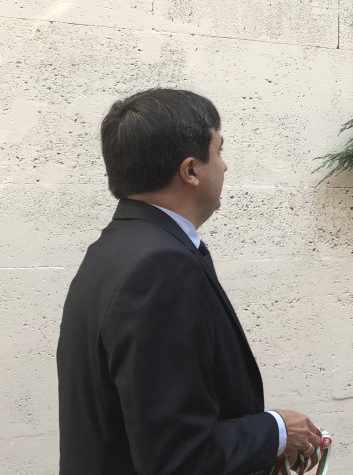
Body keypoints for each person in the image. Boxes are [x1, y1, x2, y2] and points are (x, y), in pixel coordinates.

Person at [57, 89, 322, 474]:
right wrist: (277, 430)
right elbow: (179, 457)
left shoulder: (114, 248)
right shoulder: (161, 266)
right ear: (191, 171)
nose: (225, 166)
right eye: (219, 150)